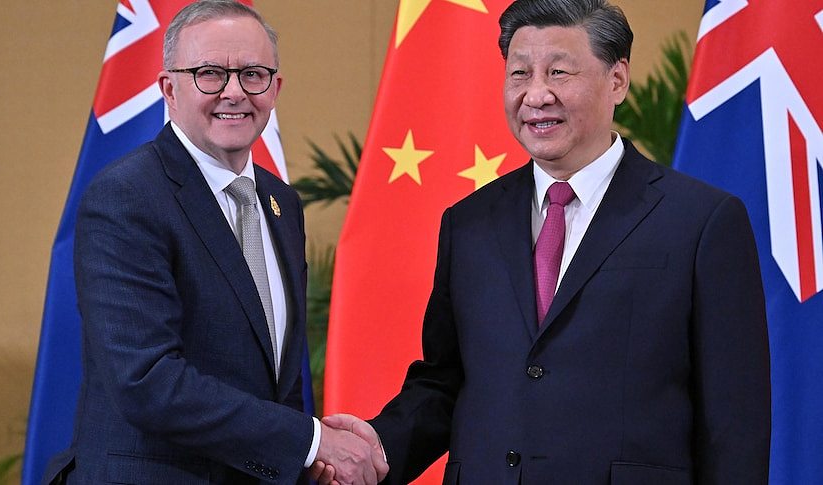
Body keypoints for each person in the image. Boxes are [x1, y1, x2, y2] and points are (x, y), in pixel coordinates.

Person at [316, 0, 771, 483]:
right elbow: (447, 380)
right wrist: (379, 447)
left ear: (617, 80)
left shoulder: (701, 221)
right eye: (519, 74)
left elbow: (734, 420)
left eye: (558, 72)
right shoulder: (469, 223)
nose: (535, 95)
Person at [42, 1, 386, 484]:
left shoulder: (280, 203)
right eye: (209, 73)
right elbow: (148, 381)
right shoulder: (126, 196)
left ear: (276, 87)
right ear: (169, 89)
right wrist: (309, 443)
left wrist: (304, 465)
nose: (234, 92)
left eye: (253, 74)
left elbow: (272, 381)